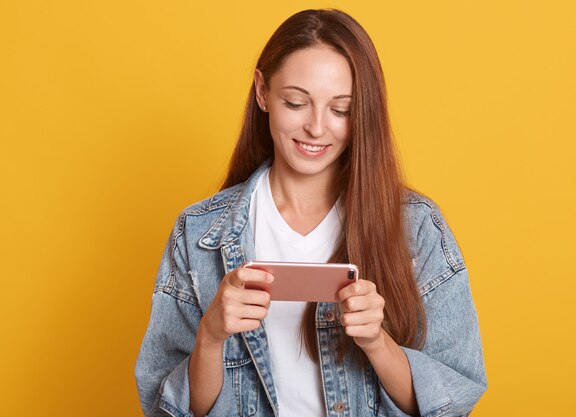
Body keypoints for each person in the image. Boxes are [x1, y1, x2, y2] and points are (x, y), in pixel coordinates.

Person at [135, 8, 487, 417]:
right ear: (263, 92)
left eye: (341, 110)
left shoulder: (416, 227)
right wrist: (211, 336)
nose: (317, 128)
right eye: (296, 102)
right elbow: (169, 409)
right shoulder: (198, 233)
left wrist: (377, 342)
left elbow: (452, 402)